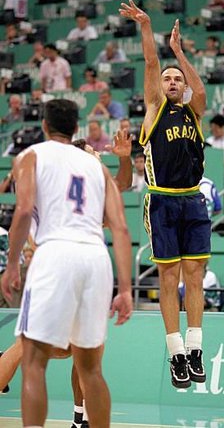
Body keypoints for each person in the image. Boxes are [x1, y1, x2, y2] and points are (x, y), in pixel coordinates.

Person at [1, 98, 132, 428]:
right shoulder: (96, 167)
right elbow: (120, 225)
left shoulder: (31, 156)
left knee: (33, 361)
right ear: (78, 128)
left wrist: (12, 264)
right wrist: (127, 287)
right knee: (92, 368)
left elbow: (22, 208)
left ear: (44, 126)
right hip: (95, 258)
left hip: (55, 253)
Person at [120, 0, 211, 389]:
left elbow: (201, 91)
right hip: (161, 200)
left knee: (196, 276)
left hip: (193, 198)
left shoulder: (194, 111)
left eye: (178, 80)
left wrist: (180, 53)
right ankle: (175, 353)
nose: (172, 82)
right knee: (168, 275)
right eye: (168, 80)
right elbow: (151, 65)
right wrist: (145, 26)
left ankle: (194, 348)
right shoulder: (155, 108)